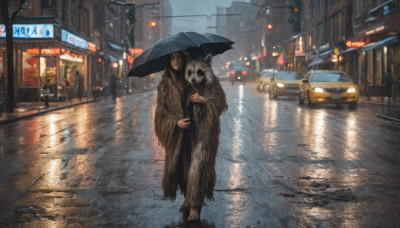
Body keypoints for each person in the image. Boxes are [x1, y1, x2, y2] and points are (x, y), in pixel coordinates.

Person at [154, 51, 210, 222]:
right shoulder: (164, 85)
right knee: (182, 168)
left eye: (179, 57)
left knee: (196, 168)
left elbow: (216, 98)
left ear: (184, 59)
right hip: (178, 134)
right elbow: (160, 114)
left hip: (197, 132)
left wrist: (204, 100)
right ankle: (188, 198)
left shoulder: (193, 76)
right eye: (172, 58)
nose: (176, 60)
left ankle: (195, 207)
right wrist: (175, 123)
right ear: (168, 61)